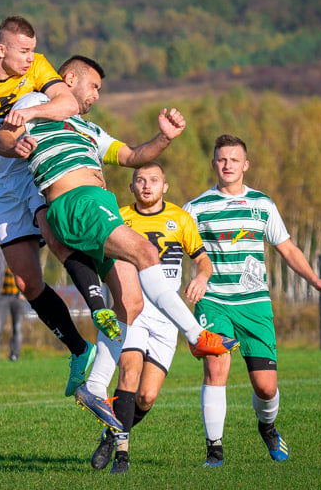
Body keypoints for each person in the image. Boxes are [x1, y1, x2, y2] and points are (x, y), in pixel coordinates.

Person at [0, 55, 238, 437]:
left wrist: (164, 139)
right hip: (77, 202)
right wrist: (17, 142)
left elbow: (132, 156)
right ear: (70, 79)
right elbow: (3, 137)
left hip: (99, 205)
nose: (95, 96)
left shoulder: (87, 128)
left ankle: (94, 387)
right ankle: (196, 337)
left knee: (131, 303)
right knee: (146, 252)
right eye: (94, 87)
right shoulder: (35, 106)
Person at [0, 15, 111, 399]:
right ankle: (78, 349)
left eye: (33, 50)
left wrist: (32, 114)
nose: (31, 57)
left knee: (53, 233)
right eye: (23, 50)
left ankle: (98, 305)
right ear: (1, 50)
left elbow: (68, 102)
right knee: (26, 281)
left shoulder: (36, 68)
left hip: (31, 166)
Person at [183, 134, 321, 467]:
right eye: (222, 159)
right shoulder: (195, 208)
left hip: (255, 306)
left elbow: (288, 249)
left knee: (266, 389)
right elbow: (175, 249)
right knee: (215, 366)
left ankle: (267, 427)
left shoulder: (263, 205)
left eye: (234, 160)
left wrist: (314, 280)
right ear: (213, 164)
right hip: (214, 302)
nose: (227, 165)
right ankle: (214, 449)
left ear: (245, 165)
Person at [86, 162, 217, 474]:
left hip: (165, 321)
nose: (147, 185)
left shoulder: (180, 219)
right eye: (140, 180)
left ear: (165, 187)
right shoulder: (118, 217)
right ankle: (122, 456)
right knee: (128, 378)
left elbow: (203, 261)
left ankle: (110, 433)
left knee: (146, 396)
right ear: (131, 187)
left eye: (154, 180)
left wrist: (201, 278)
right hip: (132, 313)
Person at [0, 238, 26, 362]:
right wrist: (2, 236)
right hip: (0, 296)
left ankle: (14, 355)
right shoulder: (0, 253)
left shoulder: (23, 254)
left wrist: (25, 292)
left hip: (17, 297)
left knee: (17, 328)